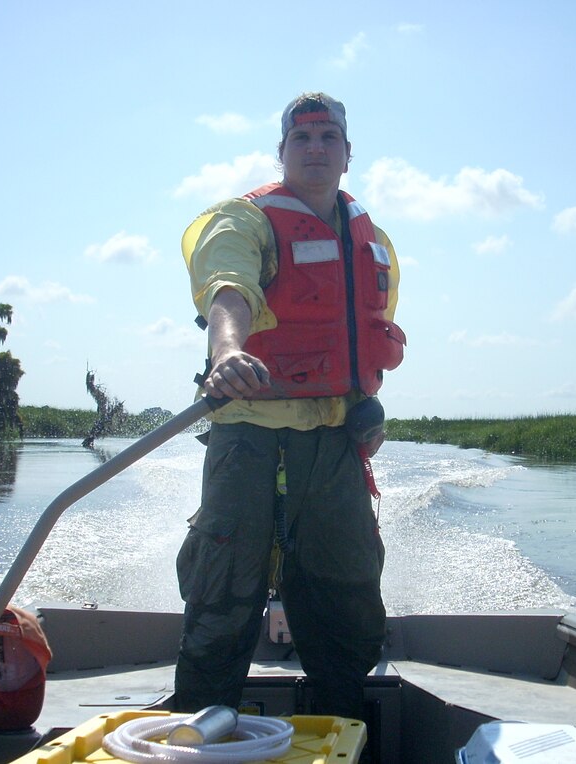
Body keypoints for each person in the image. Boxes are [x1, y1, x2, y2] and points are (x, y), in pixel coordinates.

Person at [173, 92, 406, 721]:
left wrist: (366, 407)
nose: (315, 148)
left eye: (328, 136)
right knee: (222, 600)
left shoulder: (372, 239)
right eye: (301, 138)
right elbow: (229, 287)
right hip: (249, 436)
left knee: (348, 602)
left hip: (334, 449)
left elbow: (366, 334)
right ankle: (200, 740)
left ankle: (341, 732)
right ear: (282, 152)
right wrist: (226, 351)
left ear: (348, 154)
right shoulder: (244, 220)